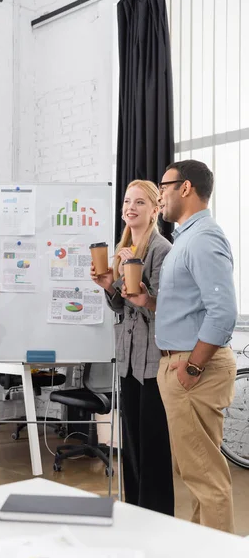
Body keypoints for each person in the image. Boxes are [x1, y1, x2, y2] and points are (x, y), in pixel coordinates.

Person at [126, 160, 237, 533]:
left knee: (205, 476)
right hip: (178, 365)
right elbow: (190, 306)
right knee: (195, 473)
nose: (161, 197)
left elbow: (223, 314)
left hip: (192, 369)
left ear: (185, 188)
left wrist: (192, 368)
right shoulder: (188, 238)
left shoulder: (204, 238)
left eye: (164, 186)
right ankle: (203, 551)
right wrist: (147, 302)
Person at [91, 180, 174, 515]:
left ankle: (156, 515)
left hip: (152, 360)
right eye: (127, 202)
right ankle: (136, 510)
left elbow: (157, 305)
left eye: (140, 202)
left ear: (155, 209)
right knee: (132, 445)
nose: (131, 208)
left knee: (152, 445)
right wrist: (109, 284)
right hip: (127, 360)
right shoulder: (123, 246)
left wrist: (128, 277)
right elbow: (121, 307)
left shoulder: (161, 250)